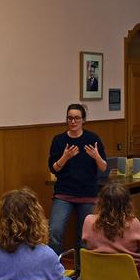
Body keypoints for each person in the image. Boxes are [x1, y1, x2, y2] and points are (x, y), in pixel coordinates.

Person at [47, 103, 107, 254]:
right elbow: (54, 168)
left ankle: (82, 272)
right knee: (55, 231)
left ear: (83, 120)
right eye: (70, 118)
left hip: (88, 194)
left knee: (85, 237)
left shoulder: (92, 138)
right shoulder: (59, 140)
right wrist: (65, 157)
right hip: (64, 193)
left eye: (77, 118)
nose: (73, 122)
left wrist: (96, 156)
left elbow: (104, 168)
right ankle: (55, 271)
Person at [81, 182, 140, 280]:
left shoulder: (88, 220)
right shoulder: (134, 223)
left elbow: (87, 245)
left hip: (97, 279)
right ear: (128, 203)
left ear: (100, 202)